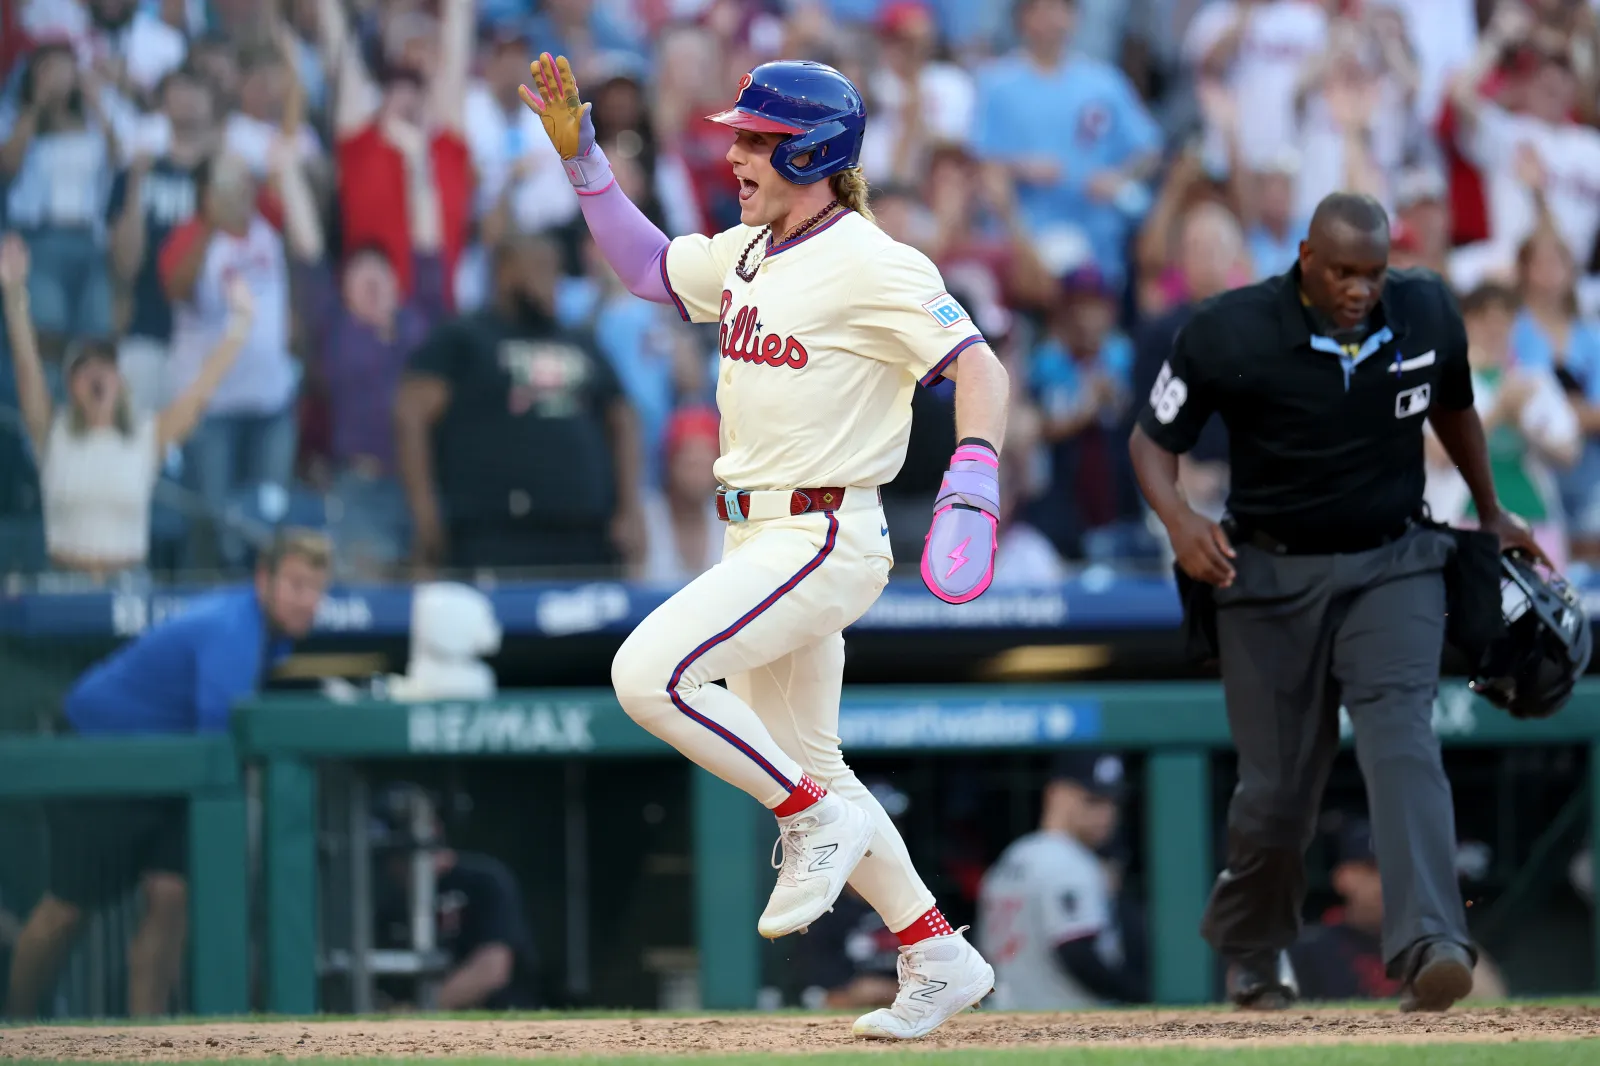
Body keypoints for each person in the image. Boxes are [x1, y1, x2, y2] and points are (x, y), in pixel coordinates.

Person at [520, 54, 1008, 1039]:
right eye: (735, 135)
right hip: (758, 534)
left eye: (754, 139)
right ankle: (934, 948)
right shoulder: (749, 250)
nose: (732, 152)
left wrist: (973, 475)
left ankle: (805, 816)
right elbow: (650, 268)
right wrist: (581, 161)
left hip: (824, 528)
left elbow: (978, 365)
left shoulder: (876, 261)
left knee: (646, 675)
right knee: (814, 755)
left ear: (813, 151)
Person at [1128, 191, 1542, 1013]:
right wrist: (1179, 522)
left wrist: (1490, 508)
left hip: (1394, 561)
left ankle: (1431, 941)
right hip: (1267, 579)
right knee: (1277, 791)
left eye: (1374, 272)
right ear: (1307, 258)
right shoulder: (1230, 328)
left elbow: (1455, 406)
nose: (1361, 288)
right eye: (1345, 271)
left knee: (1402, 735)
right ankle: (1254, 950)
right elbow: (1151, 441)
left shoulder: (1424, 308)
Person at [4, 529, 331, 1018]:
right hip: (100, 756)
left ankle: (150, 1040)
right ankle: (13, 1023)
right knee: (67, 909)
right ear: (264, 579)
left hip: (169, 772)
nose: (307, 601)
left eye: (317, 589)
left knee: (171, 897)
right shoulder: (232, 628)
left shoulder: (271, 637)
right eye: (296, 585)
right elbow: (217, 740)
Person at [0, 233, 253, 576]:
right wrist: (15, 295)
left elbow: (200, 392)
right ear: (72, 386)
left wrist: (240, 325)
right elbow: (27, 368)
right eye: (84, 369)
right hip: (63, 579)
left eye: (105, 367)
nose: (96, 375)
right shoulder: (52, 432)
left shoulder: (147, 435)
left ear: (120, 382)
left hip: (129, 582)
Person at [394, 234, 644, 575]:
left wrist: (630, 508)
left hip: (584, 536)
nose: (552, 281)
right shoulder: (463, 338)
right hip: (490, 535)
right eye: (540, 268)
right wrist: (423, 510)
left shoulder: (581, 341)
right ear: (504, 272)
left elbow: (623, 420)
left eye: (556, 271)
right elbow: (411, 415)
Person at [977, 752, 1146, 1009]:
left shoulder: (1012, 856)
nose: (1106, 813)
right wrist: (1135, 993)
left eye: (1112, 802)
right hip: (1065, 1016)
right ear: (1056, 794)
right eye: (1093, 800)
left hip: (1006, 1014)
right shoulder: (1069, 861)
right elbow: (1076, 951)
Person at [1288, 815, 1507, 1004]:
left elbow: (1492, 1006)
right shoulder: (1310, 947)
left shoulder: (1433, 941)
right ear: (1344, 877)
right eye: (1374, 869)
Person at [371, 786, 539, 1011]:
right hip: (422, 1031)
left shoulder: (484, 880)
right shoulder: (391, 902)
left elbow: (492, 970)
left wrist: (418, 1013)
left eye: (397, 856)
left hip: (499, 1023)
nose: (392, 868)